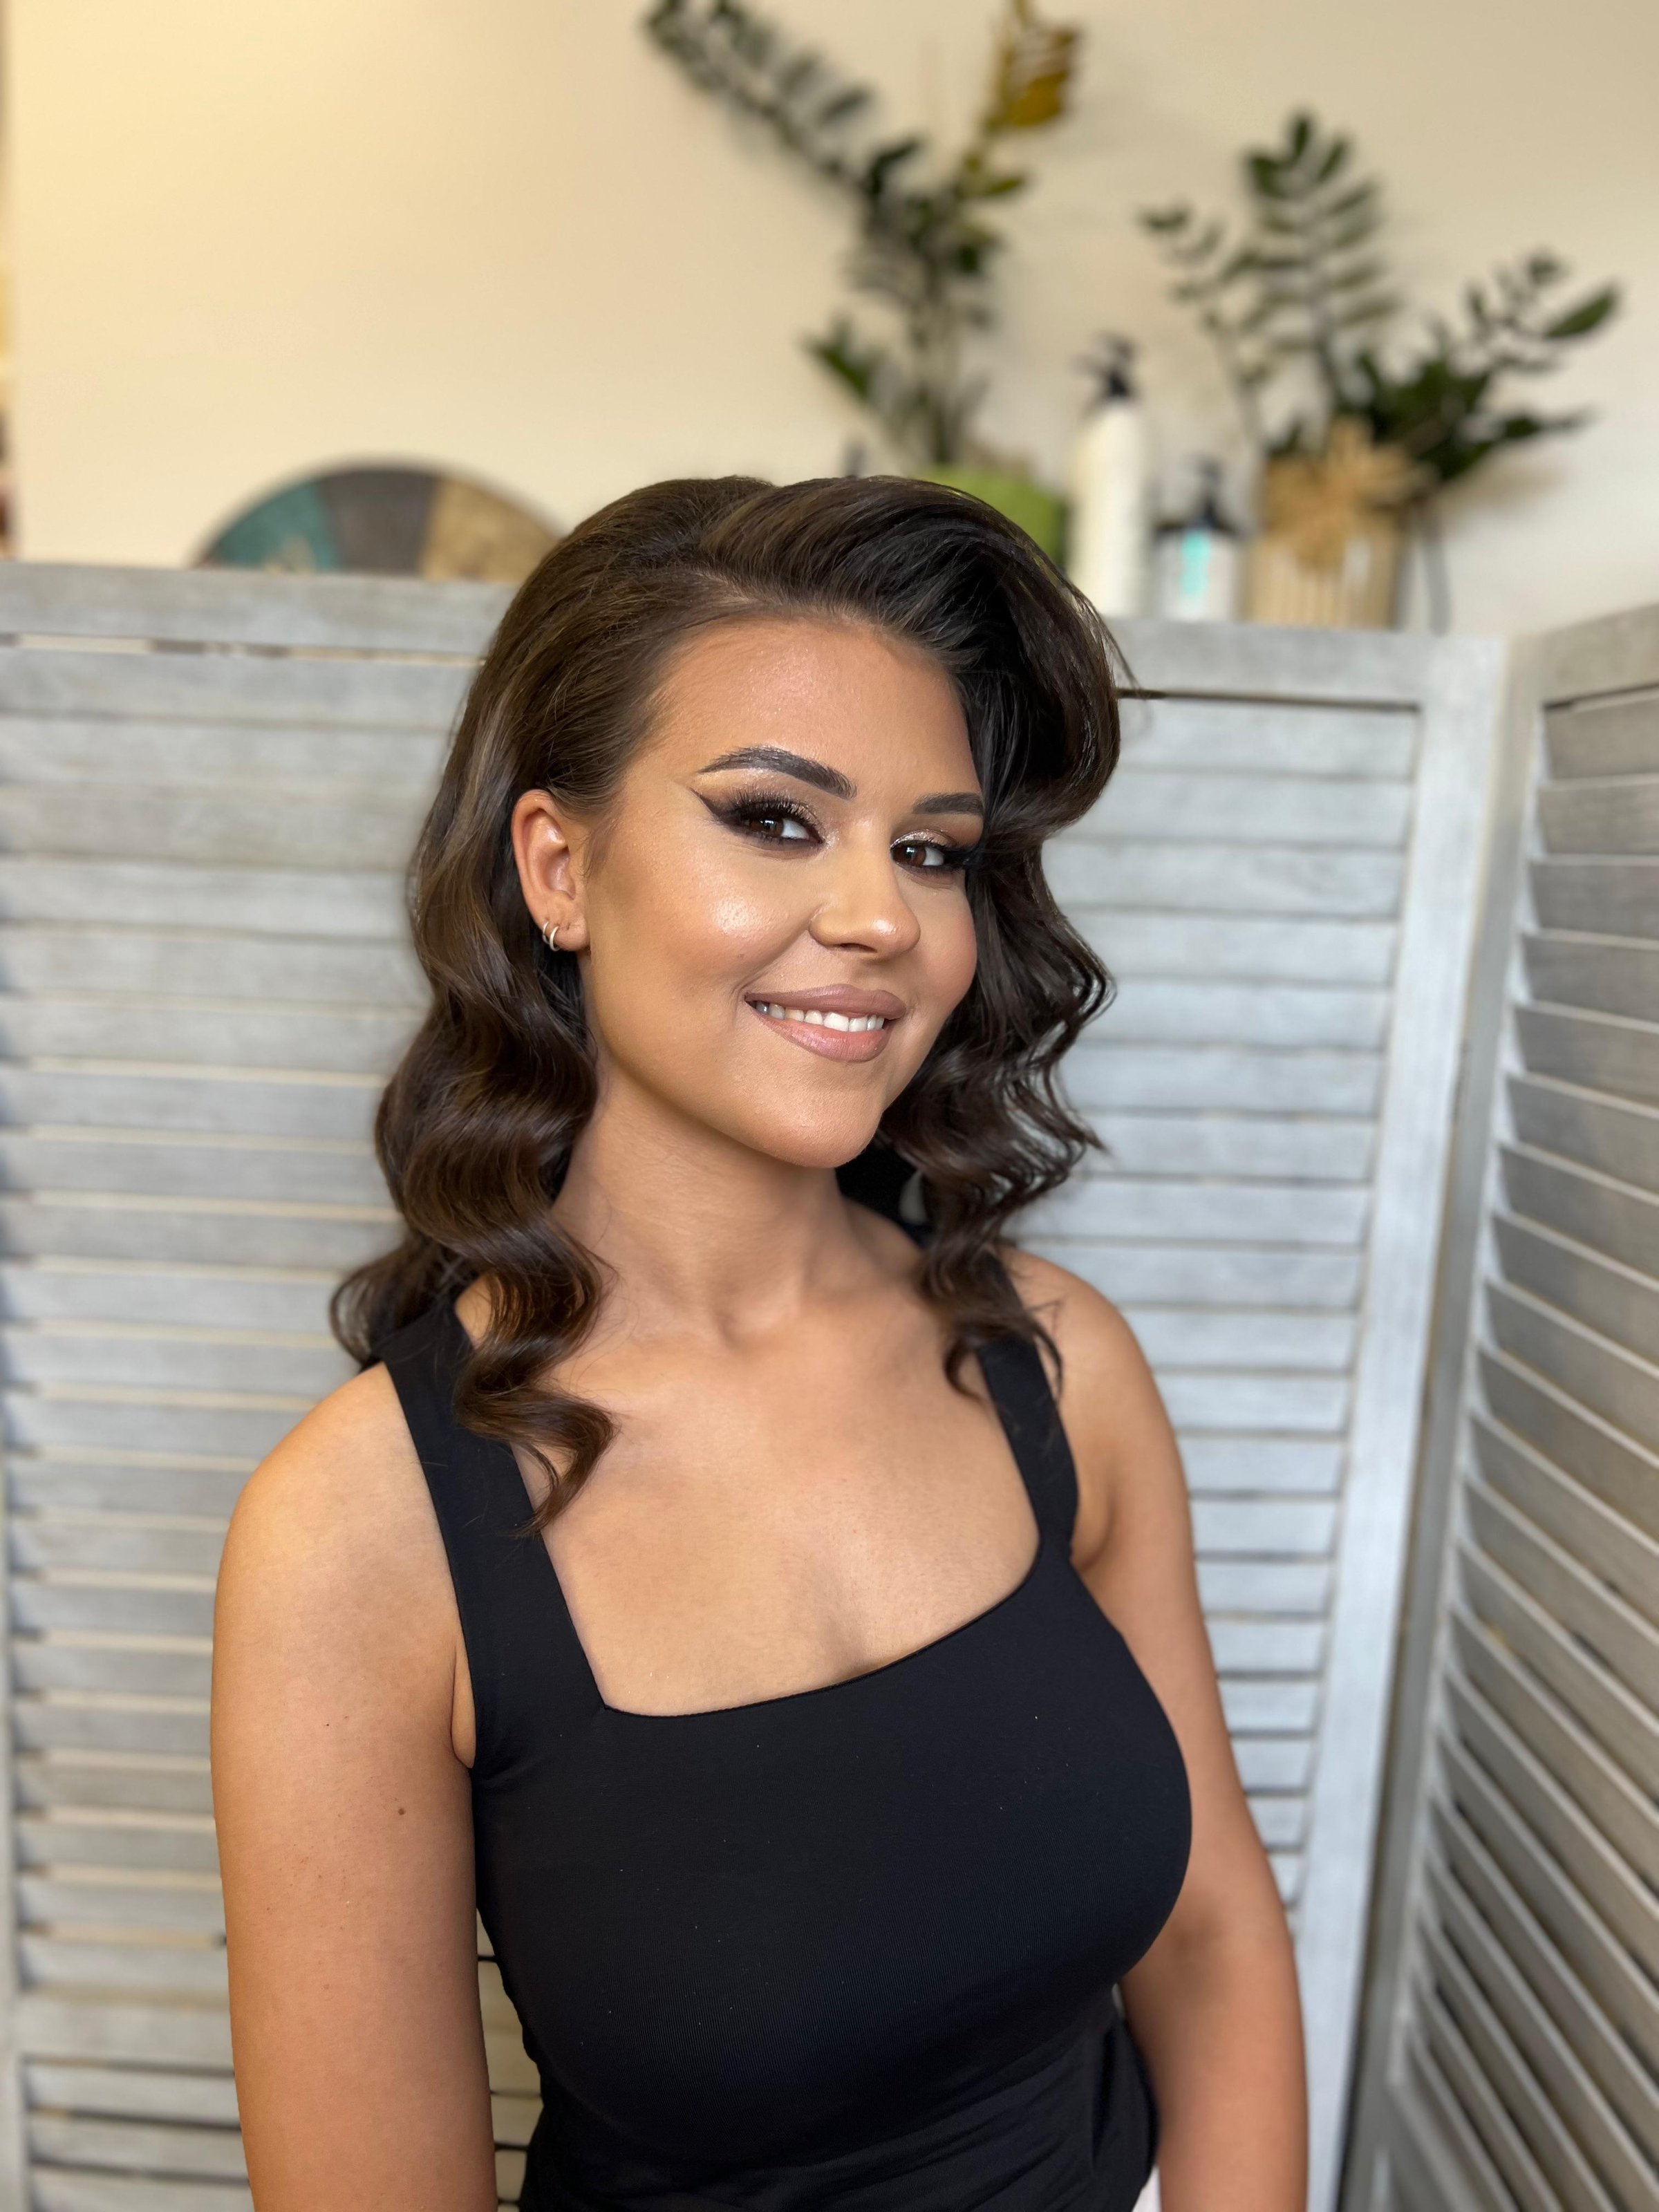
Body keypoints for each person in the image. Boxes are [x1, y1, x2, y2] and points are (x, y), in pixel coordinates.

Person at [211, 475, 1307, 2212]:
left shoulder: (1057, 1366)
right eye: (778, 821)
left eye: (931, 847)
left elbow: (1213, 1929)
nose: (881, 914)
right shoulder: (360, 1538)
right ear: (558, 866)